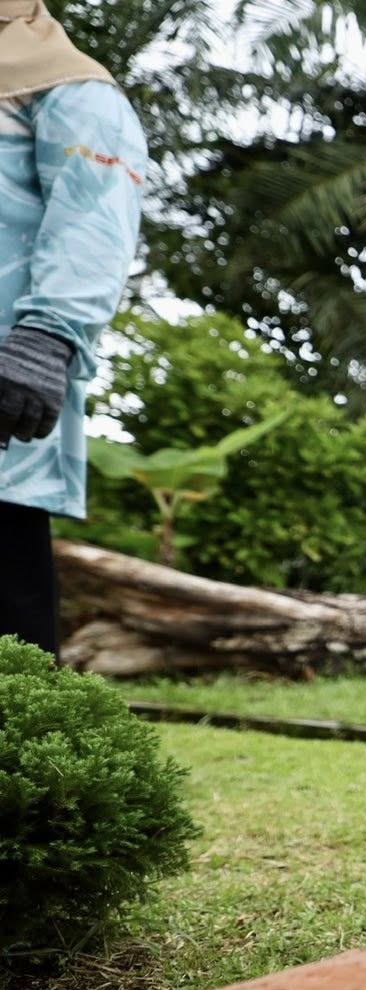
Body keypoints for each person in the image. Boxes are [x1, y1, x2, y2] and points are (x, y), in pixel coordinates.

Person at [0, 0, 145, 657]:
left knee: (9, 638)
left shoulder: (67, 87)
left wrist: (48, 337)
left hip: (6, 392)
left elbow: (94, 215)